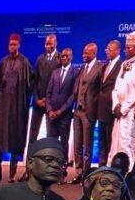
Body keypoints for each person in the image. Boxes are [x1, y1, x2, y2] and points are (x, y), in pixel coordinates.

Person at [0, 34, 33, 183]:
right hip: (2, 106)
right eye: (10, 44)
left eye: (14, 44)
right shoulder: (3, 62)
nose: (11, 47)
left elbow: (29, 85)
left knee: (15, 139)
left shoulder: (24, 62)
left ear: (19, 45)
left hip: (17, 107)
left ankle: (12, 174)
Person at [110, 32, 135, 162]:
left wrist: (123, 107)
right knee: (116, 143)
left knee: (128, 143)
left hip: (129, 112)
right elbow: (116, 87)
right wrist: (116, 104)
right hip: (119, 111)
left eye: (128, 48)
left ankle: (129, 170)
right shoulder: (124, 64)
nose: (126, 50)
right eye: (125, 47)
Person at [45, 47, 79, 178]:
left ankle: (62, 171)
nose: (64, 58)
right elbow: (48, 93)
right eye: (62, 56)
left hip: (64, 115)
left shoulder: (75, 72)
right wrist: (49, 110)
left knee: (63, 144)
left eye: (66, 56)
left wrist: (61, 111)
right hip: (51, 115)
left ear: (71, 57)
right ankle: (50, 169)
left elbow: (73, 95)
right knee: (51, 143)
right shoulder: (55, 73)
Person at [73, 43, 101, 180]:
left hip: (88, 112)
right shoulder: (83, 67)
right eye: (83, 52)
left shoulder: (99, 68)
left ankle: (86, 173)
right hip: (77, 111)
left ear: (94, 53)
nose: (84, 55)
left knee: (87, 145)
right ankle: (78, 172)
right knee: (77, 144)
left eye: (87, 53)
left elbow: (99, 91)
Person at [29, 34, 60, 149]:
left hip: (52, 104)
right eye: (46, 44)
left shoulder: (60, 59)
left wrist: (49, 100)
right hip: (38, 103)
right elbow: (34, 81)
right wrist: (37, 99)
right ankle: (30, 158)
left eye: (50, 44)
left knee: (51, 133)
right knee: (33, 132)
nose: (47, 46)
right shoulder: (40, 59)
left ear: (55, 44)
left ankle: (48, 158)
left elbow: (60, 83)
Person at [96, 40, 122, 167]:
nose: (107, 51)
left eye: (110, 49)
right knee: (102, 139)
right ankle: (102, 164)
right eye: (107, 49)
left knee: (109, 139)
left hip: (112, 108)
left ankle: (109, 165)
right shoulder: (105, 66)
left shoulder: (121, 66)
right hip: (101, 108)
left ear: (117, 50)